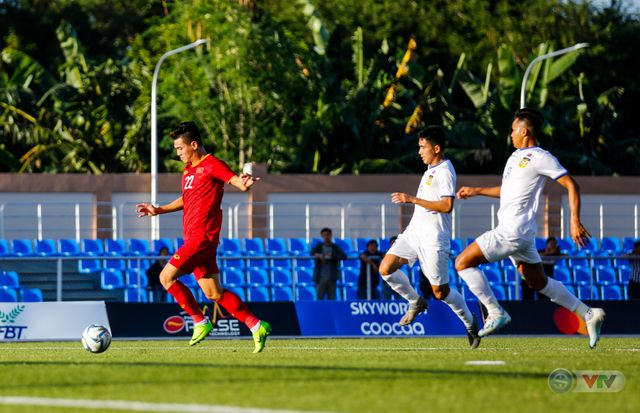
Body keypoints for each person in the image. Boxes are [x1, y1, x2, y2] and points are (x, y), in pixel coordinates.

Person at [455, 108, 605, 348]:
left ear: (524, 131)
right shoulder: (514, 158)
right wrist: (477, 191)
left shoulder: (540, 157)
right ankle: (588, 313)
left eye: (513, 130)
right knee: (539, 282)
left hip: (512, 232)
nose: (511, 134)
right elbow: (509, 191)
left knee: (462, 262)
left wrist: (574, 221)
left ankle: (495, 312)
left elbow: (571, 184)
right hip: (521, 234)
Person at [136, 121, 270, 352]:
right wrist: (159, 209)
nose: (178, 153)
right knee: (213, 292)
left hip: (202, 238)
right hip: (195, 241)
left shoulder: (212, 164)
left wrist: (244, 183)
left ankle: (199, 320)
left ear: (194, 145)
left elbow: (235, 180)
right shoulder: (188, 169)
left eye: (180, 148)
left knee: (165, 278)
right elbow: (187, 199)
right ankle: (256, 325)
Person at [378, 126, 481, 348]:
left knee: (440, 292)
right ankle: (415, 302)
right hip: (414, 234)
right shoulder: (430, 169)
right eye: (419, 147)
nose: (419, 152)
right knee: (386, 268)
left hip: (434, 239)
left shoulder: (444, 171)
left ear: (436, 148)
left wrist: (412, 199)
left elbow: (447, 205)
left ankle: (471, 323)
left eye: (423, 147)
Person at [311, 227, 347, 300]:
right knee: (319, 298)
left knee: (331, 298)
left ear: (331, 235)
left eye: (328, 235)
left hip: (331, 277)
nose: (326, 237)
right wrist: (319, 255)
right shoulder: (319, 246)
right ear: (322, 236)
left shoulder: (335, 247)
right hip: (320, 277)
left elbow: (344, 256)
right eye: (324, 235)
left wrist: (331, 257)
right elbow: (312, 252)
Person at [380, 236, 402, 300]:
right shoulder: (386, 253)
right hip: (387, 281)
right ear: (390, 244)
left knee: (400, 302)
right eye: (393, 242)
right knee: (385, 301)